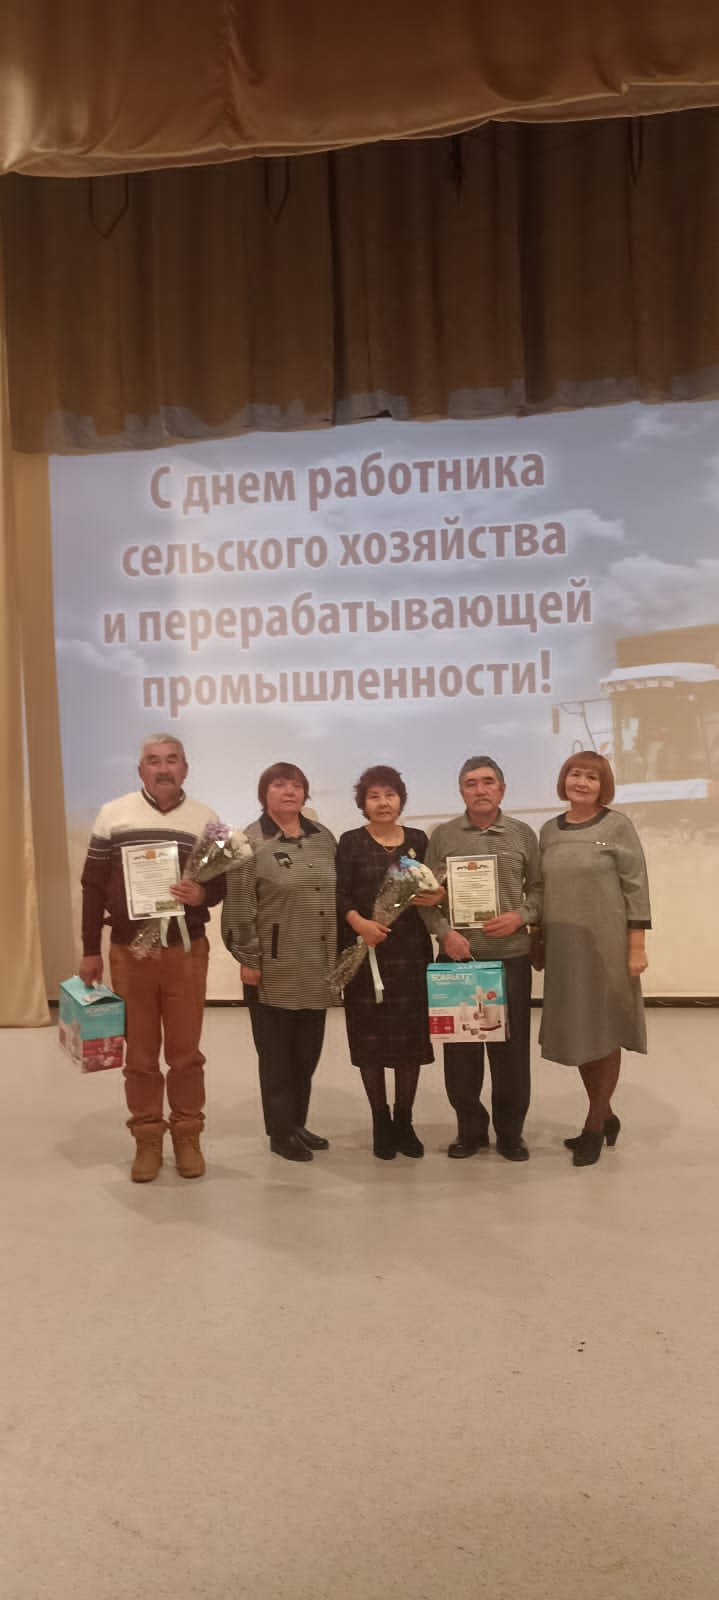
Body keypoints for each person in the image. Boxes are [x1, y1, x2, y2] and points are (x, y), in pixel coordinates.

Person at [79, 734, 224, 1182]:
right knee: (140, 1055)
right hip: (129, 953)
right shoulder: (113, 814)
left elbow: (220, 883)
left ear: (185, 768)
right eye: (153, 761)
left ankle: (187, 1135)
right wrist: (89, 949)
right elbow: (92, 887)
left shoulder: (206, 819)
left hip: (185, 951)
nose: (163, 769)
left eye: (172, 760)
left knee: (185, 1054)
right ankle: (146, 1138)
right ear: (140, 770)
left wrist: (202, 893)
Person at [533, 751, 651, 1167]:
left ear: (604, 785)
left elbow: (636, 886)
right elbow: (540, 889)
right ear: (563, 780)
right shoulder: (549, 830)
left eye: (591, 777)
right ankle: (607, 1114)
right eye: (574, 774)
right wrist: (537, 938)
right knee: (580, 1032)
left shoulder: (618, 826)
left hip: (607, 946)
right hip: (564, 948)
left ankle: (594, 1126)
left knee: (604, 1030)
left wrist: (636, 946)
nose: (581, 783)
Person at [424, 757, 542, 1161]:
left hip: (510, 959)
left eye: (488, 782)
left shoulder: (523, 834)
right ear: (461, 792)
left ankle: (510, 1132)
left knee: (511, 1052)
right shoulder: (443, 836)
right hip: (459, 961)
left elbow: (539, 889)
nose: (480, 790)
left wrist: (521, 916)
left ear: (502, 790)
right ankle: (470, 1129)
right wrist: (445, 933)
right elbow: (424, 897)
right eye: (471, 783)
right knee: (461, 1054)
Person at [222, 762, 336, 1163]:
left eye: (296, 785)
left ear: (305, 793)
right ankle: (280, 1132)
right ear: (264, 793)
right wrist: (248, 957)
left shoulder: (323, 838)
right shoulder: (248, 842)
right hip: (272, 967)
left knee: (306, 1054)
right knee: (276, 1057)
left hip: (317, 965)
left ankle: (297, 1123)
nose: (289, 792)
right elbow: (239, 906)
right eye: (279, 785)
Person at [336, 765, 444, 1160]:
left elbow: (431, 889)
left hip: (410, 953)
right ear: (363, 803)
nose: (383, 803)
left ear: (401, 799)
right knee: (371, 1041)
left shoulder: (418, 840)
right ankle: (380, 1121)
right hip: (365, 952)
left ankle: (404, 1120)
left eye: (390, 794)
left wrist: (439, 895)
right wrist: (360, 924)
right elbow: (339, 894)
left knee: (410, 1042)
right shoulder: (350, 842)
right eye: (374, 796)